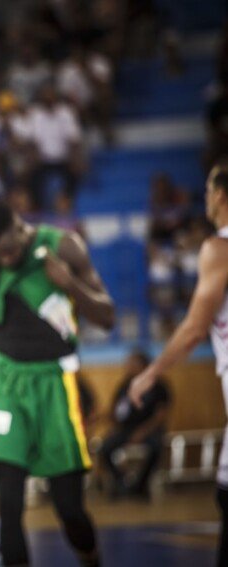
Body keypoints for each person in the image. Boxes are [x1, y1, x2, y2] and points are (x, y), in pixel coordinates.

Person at [0, 201, 115, 566]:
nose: (6, 259)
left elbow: (108, 317)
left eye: (11, 250)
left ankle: (92, 558)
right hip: (6, 383)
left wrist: (70, 285)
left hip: (54, 382)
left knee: (69, 508)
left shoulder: (63, 247)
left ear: (21, 227)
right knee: (9, 503)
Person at [129, 164, 228, 566]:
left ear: (220, 195)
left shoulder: (218, 248)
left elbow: (192, 329)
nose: (204, 196)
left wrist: (151, 373)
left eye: (208, 188)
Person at [100, 351, 170, 499]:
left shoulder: (158, 385)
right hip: (126, 430)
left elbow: (160, 415)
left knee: (156, 447)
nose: (128, 367)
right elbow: (116, 410)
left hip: (150, 429)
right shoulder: (125, 385)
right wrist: (113, 425)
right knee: (105, 447)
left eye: (131, 363)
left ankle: (142, 485)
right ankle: (123, 483)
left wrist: (143, 432)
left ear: (143, 365)